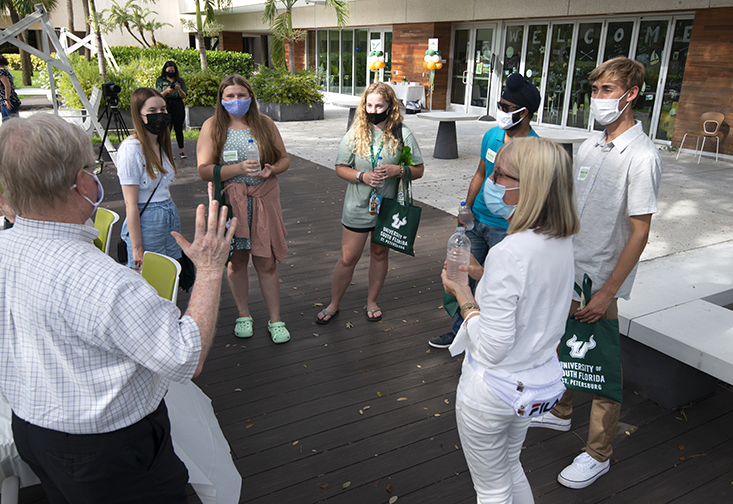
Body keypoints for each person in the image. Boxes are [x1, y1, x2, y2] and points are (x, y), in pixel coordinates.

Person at [0, 112, 237, 503]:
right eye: (90, 170)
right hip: (111, 454)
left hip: (31, 430)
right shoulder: (105, 281)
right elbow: (184, 358)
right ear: (81, 183)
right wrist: (210, 269)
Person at [529, 56, 663, 489]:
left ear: (631, 95)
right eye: (595, 90)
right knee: (565, 343)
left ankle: (598, 453)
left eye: (607, 90)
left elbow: (640, 233)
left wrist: (607, 292)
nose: (599, 99)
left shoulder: (642, 157)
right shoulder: (589, 145)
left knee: (601, 365)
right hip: (569, 270)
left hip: (600, 281)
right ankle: (562, 409)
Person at [442, 137, 580, 504]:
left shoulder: (511, 251)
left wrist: (463, 293)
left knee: (491, 489)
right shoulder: (561, 241)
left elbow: (492, 346)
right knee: (510, 465)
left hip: (491, 389)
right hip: (530, 384)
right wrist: (481, 272)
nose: (491, 181)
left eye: (501, 175)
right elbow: (529, 298)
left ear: (530, 187)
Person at [429, 72, 541, 349]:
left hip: (506, 228)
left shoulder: (536, 149)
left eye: (506, 108)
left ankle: (489, 338)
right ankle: (460, 332)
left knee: (496, 286)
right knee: (462, 277)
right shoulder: (492, 135)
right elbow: (480, 174)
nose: (500, 112)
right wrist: (466, 207)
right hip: (476, 222)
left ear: (525, 113)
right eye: (499, 105)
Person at [315, 82, 424, 325]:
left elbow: (418, 170)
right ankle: (334, 304)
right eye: (369, 104)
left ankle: (372, 301)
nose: (373, 109)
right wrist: (362, 176)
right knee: (348, 257)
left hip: (387, 208)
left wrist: (399, 170)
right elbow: (340, 168)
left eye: (379, 105)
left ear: (390, 106)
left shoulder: (402, 133)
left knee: (379, 253)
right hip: (357, 206)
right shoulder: (355, 133)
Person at [197, 74, 291, 344]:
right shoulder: (212, 126)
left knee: (266, 261)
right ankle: (243, 314)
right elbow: (204, 170)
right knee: (236, 262)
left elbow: (284, 159)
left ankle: (276, 319)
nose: (236, 101)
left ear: (250, 96)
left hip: (263, 200)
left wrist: (272, 169)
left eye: (241, 95)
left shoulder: (264, 124)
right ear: (221, 99)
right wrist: (237, 170)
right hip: (231, 203)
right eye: (230, 96)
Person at [117, 87, 182, 270]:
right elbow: (131, 204)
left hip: (168, 214)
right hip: (147, 220)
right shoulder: (131, 149)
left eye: (162, 110)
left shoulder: (161, 145)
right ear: (139, 115)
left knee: (168, 271)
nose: (159, 115)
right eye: (152, 111)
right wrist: (137, 248)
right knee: (149, 274)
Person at [155, 60, 188, 159]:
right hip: (165, 104)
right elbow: (158, 94)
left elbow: (184, 96)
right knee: (166, 129)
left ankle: (181, 151)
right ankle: (167, 152)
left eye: (172, 70)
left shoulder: (180, 80)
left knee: (179, 128)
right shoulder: (160, 80)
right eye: (169, 70)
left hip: (177, 105)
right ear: (165, 70)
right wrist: (166, 91)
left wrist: (179, 89)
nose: (171, 72)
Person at [0, 54, 21, 119]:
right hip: (4, 101)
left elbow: (7, 86)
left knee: (12, 123)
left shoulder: (1, 72)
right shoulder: (4, 71)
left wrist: (7, 99)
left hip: (8, 101)